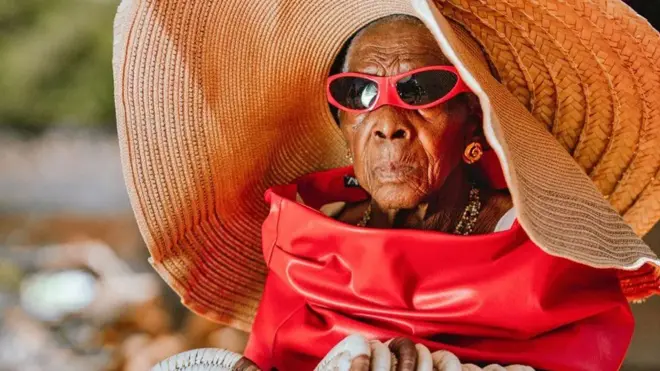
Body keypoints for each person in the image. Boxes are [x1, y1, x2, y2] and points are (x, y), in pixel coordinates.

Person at [113, 0, 660, 370]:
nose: (387, 118)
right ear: (342, 124)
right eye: (358, 93)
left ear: (475, 116)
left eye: (420, 87)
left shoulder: (543, 251)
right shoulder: (303, 237)